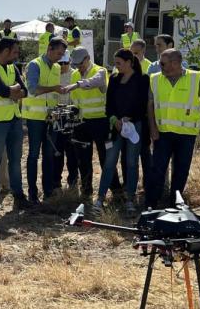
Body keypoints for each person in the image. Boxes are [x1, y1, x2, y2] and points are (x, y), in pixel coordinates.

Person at [146, 49, 200, 208]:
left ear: (175, 63)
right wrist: (153, 128)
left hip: (186, 134)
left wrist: (197, 114)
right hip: (163, 133)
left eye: (163, 63)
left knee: (181, 171)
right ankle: (152, 204)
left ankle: (175, 205)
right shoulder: (155, 79)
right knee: (157, 170)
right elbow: (150, 104)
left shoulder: (195, 78)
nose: (159, 66)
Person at [94, 49, 148, 215]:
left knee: (132, 162)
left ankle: (130, 199)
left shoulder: (142, 79)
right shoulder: (114, 79)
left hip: (134, 127)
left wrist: (129, 118)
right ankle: (100, 198)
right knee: (110, 161)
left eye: (118, 63)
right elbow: (109, 104)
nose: (115, 66)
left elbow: (143, 104)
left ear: (129, 62)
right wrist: (114, 120)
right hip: (115, 127)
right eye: (115, 63)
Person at [0, 37, 29, 213]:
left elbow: (25, 91)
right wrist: (13, 90)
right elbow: (2, 92)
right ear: (6, 51)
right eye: (15, 51)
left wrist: (13, 90)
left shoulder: (12, 67)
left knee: (15, 161)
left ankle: (18, 196)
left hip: (14, 120)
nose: (17, 55)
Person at [24, 37, 67, 204]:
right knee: (33, 155)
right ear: (49, 49)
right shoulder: (34, 65)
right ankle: (33, 193)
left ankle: (48, 191)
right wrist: (54, 88)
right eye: (58, 53)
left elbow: (53, 94)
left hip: (51, 119)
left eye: (62, 54)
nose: (60, 57)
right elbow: (32, 89)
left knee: (49, 155)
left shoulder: (57, 67)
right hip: (35, 118)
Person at [65, 47, 109, 198]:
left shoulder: (100, 70)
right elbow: (76, 100)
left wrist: (77, 84)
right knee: (83, 159)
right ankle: (86, 190)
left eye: (80, 63)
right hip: (82, 123)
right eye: (75, 64)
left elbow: (96, 82)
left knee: (106, 157)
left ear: (88, 58)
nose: (78, 67)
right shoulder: (75, 74)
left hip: (101, 122)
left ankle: (115, 190)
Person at [52, 50, 79, 190]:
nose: (62, 66)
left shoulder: (74, 74)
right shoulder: (54, 74)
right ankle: (56, 182)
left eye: (65, 63)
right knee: (58, 151)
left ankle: (73, 180)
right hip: (57, 116)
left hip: (72, 116)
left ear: (69, 62)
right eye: (60, 63)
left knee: (72, 151)